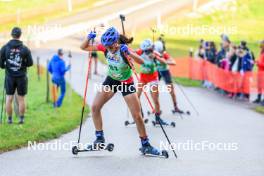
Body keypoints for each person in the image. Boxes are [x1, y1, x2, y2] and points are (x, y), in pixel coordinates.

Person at [80, 27, 161, 156]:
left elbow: (142, 62)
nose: (108, 49)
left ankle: (146, 144)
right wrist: (88, 38)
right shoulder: (105, 47)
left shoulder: (124, 49)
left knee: (137, 115)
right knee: (95, 107)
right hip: (111, 80)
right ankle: (100, 139)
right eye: (106, 47)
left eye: (110, 46)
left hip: (126, 83)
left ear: (116, 42)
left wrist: (130, 54)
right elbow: (83, 47)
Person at [0, 27, 33, 124]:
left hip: (10, 77)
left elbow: (1, 63)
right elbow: (30, 63)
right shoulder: (25, 49)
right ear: (20, 35)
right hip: (21, 77)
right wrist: (22, 65)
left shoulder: (5, 48)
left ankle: (9, 120)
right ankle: (21, 119)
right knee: (21, 98)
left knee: (9, 98)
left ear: (11, 35)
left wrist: (5, 66)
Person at [136, 39, 172, 125]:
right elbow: (131, 52)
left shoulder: (154, 53)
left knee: (155, 99)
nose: (151, 50)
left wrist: (155, 57)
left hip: (153, 78)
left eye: (152, 48)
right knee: (137, 97)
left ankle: (158, 118)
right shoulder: (140, 52)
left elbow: (164, 62)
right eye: (149, 49)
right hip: (143, 77)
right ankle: (139, 115)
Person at [154, 40, 184, 113]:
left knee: (171, 90)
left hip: (165, 72)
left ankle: (175, 107)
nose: (159, 52)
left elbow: (173, 62)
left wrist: (164, 61)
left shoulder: (164, 54)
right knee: (155, 90)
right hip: (157, 72)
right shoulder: (153, 53)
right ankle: (156, 108)